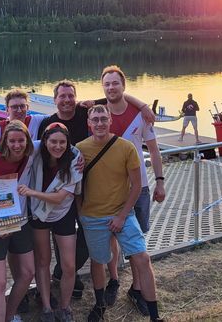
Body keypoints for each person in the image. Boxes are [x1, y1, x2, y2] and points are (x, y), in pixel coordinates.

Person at [37, 80, 156, 300]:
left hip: (88, 190)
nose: (66, 100)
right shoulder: (48, 123)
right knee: (63, 241)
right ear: (55, 100)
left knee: (87, 243)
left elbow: (117, 96)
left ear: (75, 97)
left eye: (70, 95)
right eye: (62, 96)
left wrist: (143, 106)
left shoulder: (85, 112)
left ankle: (88, 277)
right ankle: (66, 279)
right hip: (60, 192)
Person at [77, 105, 163, 322]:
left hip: (122, 213)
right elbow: (75, 184)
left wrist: (122, 216)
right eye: (95, 119)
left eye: (103, 119)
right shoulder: (79, 149)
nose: (99, 123)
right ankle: (100, 305)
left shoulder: (126, 148)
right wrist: (81, 213)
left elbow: (136, 186)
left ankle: (155, 316)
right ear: (89, 123)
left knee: (142, 258)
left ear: (110, 121)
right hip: (92, 216)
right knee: (98, 261)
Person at [100, 65, 166, 314]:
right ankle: (114, 279)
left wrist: (160, 181)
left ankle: (137, 288)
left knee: (138, 242)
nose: (111, 87)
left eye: (115, 83)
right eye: (107, 84)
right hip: (109, 191)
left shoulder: (141, 116)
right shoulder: (99, 115)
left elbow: (154, 150)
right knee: (110, 239)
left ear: (123, 86)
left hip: (140, 188)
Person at [18, 123, 84, 322]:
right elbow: (17, 144)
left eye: (62, 142)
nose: (57, 146)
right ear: (45, 141)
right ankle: (46, 306)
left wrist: (31, 192)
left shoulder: (74, 159)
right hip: (39, 214)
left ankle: (65, 307)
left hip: (63, 213)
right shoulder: (36, 153)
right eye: (53, 141)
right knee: (43, 261)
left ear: (68, 142)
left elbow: (59, 198)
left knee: (69, 265)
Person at [0, 120, 37, 322]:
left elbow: (59, 144)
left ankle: (8, 315)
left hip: (19, 220)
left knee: (28, 272)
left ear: (27, 140)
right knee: (0, 281)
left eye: (20, 140)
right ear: (5, 142)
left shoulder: (30, 154)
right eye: (12, 141)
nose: (16, 145)